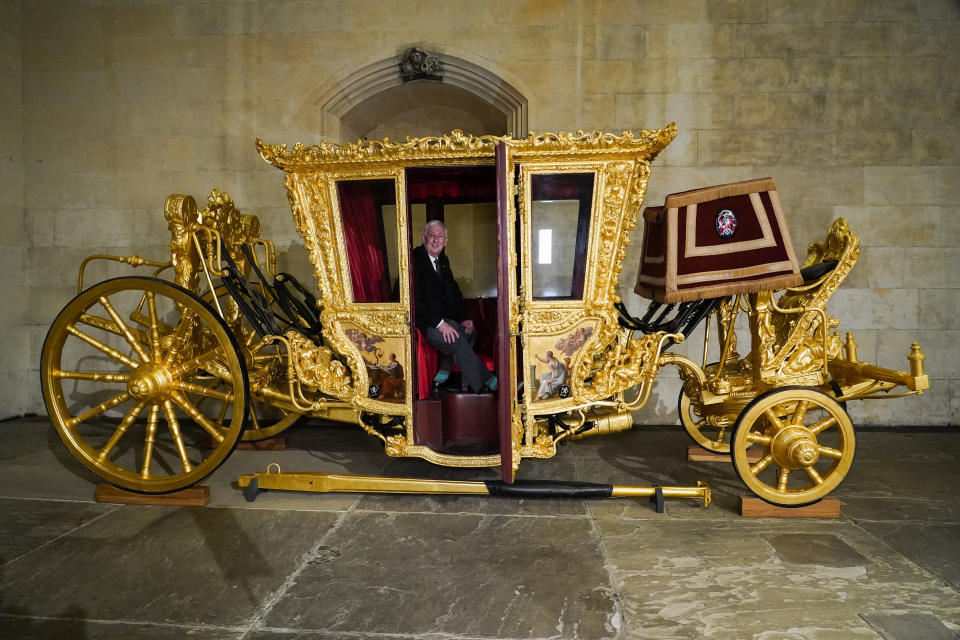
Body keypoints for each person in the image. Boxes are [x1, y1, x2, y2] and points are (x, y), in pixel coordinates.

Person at [413, 220, 497, 394]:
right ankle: (487, 381)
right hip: (423, 322)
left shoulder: (443, 260)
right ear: (423, 238)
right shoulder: (414, 259)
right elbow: (414, 300)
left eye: (440, 236)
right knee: (456, 339)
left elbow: (453, 292)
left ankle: (442, 373)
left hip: (443, 318)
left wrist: (463, 318)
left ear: (446, 241)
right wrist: (440, 324)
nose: (436, 240)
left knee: (469, 332)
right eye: (432, 235)